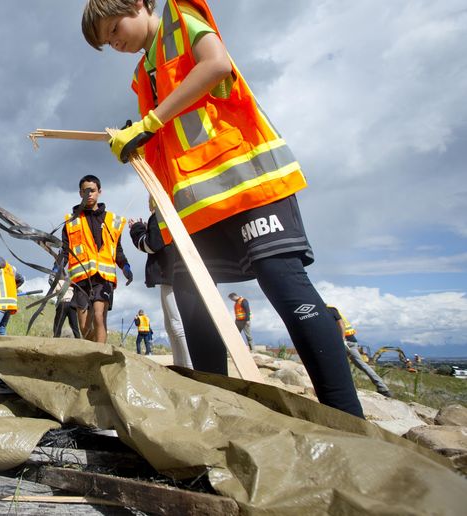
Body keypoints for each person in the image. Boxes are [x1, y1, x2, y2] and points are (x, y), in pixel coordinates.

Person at [81, 0, 363, 417]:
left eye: (115, 28)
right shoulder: (144, 76)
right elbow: (167, 145)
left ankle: (347, 418)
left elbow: (216, 65)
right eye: (108, 42)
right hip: (197, 208)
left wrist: (151, 122)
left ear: (139, 3)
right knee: (193, 303)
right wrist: (140, 142)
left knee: (285, 287)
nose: (116, 42)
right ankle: (218, 413)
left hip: (249, 185)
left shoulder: (179, 17)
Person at [61, 175, 133, 343]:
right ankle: (93, 349)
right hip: (81, 280)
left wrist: (125, 266)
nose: (89, 194)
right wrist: (57, 267)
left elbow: (117, 250)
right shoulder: (71, 222)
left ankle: (100, 357)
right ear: (80, 193)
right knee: (84, 328)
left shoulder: (111, 221)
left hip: (104, 278)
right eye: (85, 191)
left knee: (99, 317)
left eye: (92, 191)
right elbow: (65, 250)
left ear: (99, 192)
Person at [129, 199, 192, 366]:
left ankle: (188, 366)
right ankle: (180, 365)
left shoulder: (160, 215)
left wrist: (137, 229)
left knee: (176, 324)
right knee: (171, 324)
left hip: (170, 273)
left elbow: (152, 244)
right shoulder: (174, 214)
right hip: (175, 272)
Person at [327, 305, 392, 397]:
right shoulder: (330, 309)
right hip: (349, 341)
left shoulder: (329, 310)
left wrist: (342, 340)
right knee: (360, 365)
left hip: (346, 342)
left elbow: (340, 323)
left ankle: (383, 388)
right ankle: (383, 388)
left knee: (335, 364)